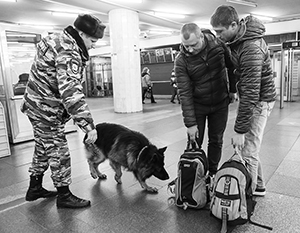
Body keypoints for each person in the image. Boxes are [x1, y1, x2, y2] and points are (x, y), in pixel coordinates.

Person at [21, 14, 106, 208]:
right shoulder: (68, 51)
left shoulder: (57, 39)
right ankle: (64, 195)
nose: (94, 45)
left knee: (44, 146)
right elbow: (71, 92)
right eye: (92, 41)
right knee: (59, 150)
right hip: (45, 109)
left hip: (36, 104)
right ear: (81, 34)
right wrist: (88, 126)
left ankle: (35, 187)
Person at [210, 5, 277, 196]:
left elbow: (250, 92)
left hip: (260, 100)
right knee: (251, 146)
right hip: (256, 97)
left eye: (220, 31)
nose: (218, 35)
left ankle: (245, 200)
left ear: (233, 25)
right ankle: (260, 185)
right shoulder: (239, 40)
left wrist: (239, 130)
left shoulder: (251, 47)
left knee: (247, 151)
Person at [174, 23, 237, 179]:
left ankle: (212, 174)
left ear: (201, 36)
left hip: (220, 102)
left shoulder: (218, 45)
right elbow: (184, 92)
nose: (189, 49)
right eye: (185, 45)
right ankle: (193, 175)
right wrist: (190, 124)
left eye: (193, 45)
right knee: (195, 142)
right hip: (198, 105)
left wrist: (232, 90)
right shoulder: (181, 60)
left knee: (216, 140)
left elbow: (231, 66)